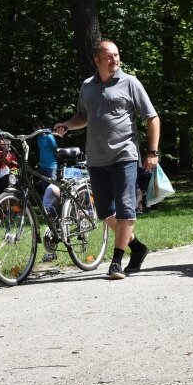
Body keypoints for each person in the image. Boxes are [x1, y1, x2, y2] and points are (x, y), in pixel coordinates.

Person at [54, 40, 158, 280]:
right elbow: (82, 116)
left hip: (125, 154)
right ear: (97, 60)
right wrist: (67, 126)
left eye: (117, 55)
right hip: (96, 158)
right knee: (104, 212)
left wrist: (151, 152)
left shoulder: (130, 82)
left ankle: (117, 261)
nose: (115, 60)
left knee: (125, 207)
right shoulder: (87, 86)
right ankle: (137, 247)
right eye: (109, 56)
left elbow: (152, 117)